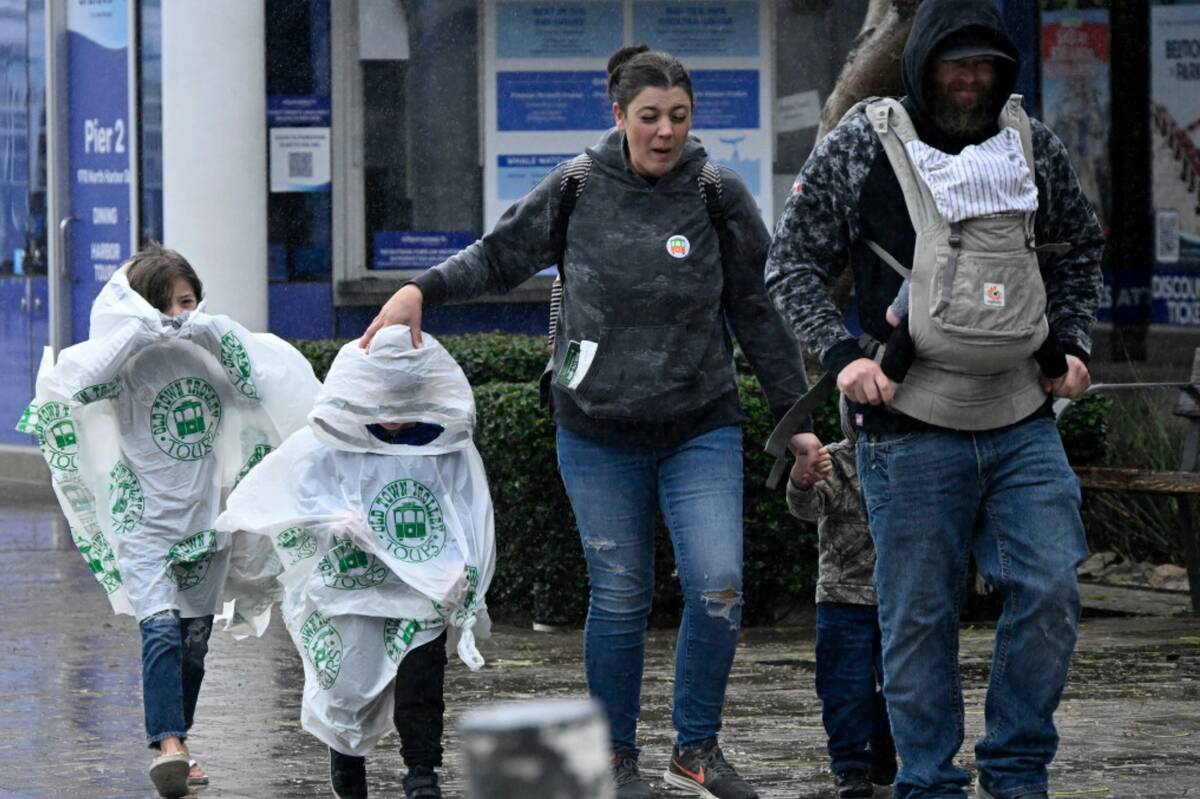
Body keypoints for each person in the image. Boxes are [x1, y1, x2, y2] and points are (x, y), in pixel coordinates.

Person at [361, 43, 820, 799]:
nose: (665, 131)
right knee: (620, 591)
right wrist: (419, 290)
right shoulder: (576, 185)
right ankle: (613, 757)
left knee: (719, 583)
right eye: (649, 117)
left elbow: (759, 312)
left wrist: (795, 418)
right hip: (595, 428)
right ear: (619, 115)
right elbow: (498, 256)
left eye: (678, 116)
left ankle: (696, 749)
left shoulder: (716, 192)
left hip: (699, 423)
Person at [764, 1, 1104, 797]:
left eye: (986, 65)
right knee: (917, 620)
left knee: (1052, 587)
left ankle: (1017, 768)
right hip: (907, 425)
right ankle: (927, 782)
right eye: (957, 65)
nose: (972, 80)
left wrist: (1076, 343)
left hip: (1023, 418)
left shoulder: (1030, 141)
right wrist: (845, 357)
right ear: (921, 64)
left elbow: (1079, 248)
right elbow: (789, 265)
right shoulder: (863, 140)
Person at [18, 245, 319, 798]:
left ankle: (177, 740)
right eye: (166, 304)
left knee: (193, 644)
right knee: (158, 628)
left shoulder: (213, 349)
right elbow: (72, 383)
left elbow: (263, 379)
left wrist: (203, 331)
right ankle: (170, 746)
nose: (178, 315)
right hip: (144, 523)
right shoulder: (126, 359)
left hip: (208, 521)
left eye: (188, 301)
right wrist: (139, 333)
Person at [216, 326, 496, 799]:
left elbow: (469, 514)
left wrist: (463, 573)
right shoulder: (325, 442)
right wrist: (328, 523)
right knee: (344, 691)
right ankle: (348, 771)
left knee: (420, 685)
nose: (387, 417)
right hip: (344, 593)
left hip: (419, 594)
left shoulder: (443, 444)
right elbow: (282, 497)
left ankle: (422, 776)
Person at [786, 401, 895, 798]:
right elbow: (806, 505)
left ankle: (889, 757)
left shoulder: (916, 458)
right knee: (843, 688)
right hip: (842, 596)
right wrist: (801, 478)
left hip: (900, 597)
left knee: (901, 685)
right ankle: (850, 766)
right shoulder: (836, 461)